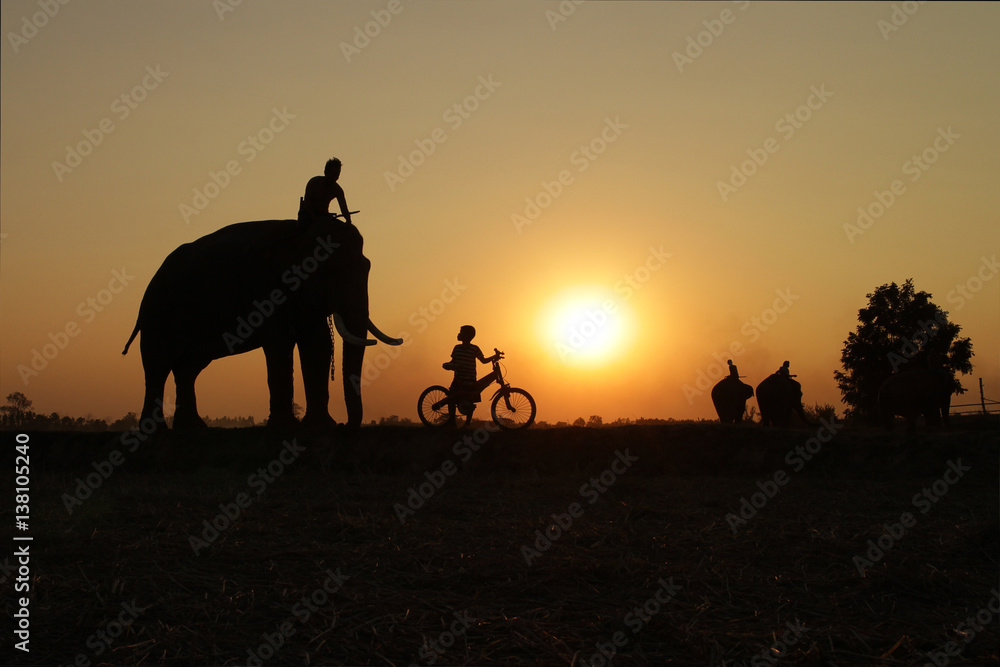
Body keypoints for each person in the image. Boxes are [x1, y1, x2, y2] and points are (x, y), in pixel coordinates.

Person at [443, 325, 500, 425]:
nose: (459, 334)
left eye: (461, 332)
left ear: (466, 335)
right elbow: (453, 361)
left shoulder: (474, 349)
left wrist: (494, 356)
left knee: (470, 400)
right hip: (459, 379)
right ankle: (452, 421)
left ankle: (467, 424)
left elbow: (483, 360)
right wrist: (449, 365)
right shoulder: (457, 348)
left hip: (470, 379)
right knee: (451, 398)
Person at [298, 158, 352, 227]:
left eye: (337, 174)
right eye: (333, 174)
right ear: (326, 172)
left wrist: (348, 221)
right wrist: (315, 218)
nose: (335, 177)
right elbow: (307, 203)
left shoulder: (337, 190)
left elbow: (344, 208)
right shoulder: (314, 182)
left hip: (323, 216)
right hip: (307, 215)